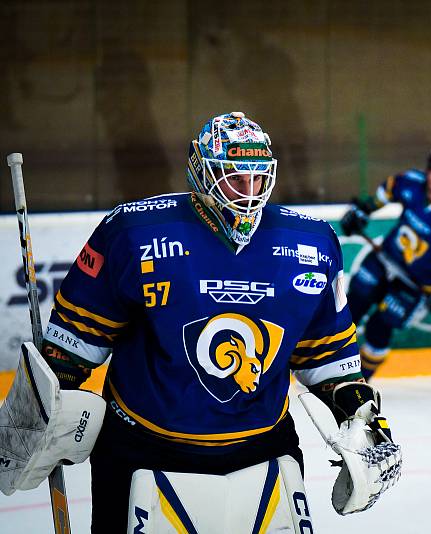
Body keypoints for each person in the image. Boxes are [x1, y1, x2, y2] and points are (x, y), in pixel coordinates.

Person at [2, 112, 400, 531]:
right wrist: (46, 404)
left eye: (259, 179)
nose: (249, 194)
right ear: (202, 174)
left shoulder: (314, 243)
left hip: (263, 450)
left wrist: (363, 421)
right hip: (143, 448)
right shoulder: (133, 231)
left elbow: (330, 359)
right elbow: (71, 345)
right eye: (234, 179)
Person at [340, 147, 431, 380]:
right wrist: (363, 209)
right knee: (351, 308)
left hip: (415, 285)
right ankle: (323, 365)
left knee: (379, 326)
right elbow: (389, 189)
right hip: (385, 260)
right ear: (428, 170)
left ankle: (359, 381)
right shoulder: (412, 182)